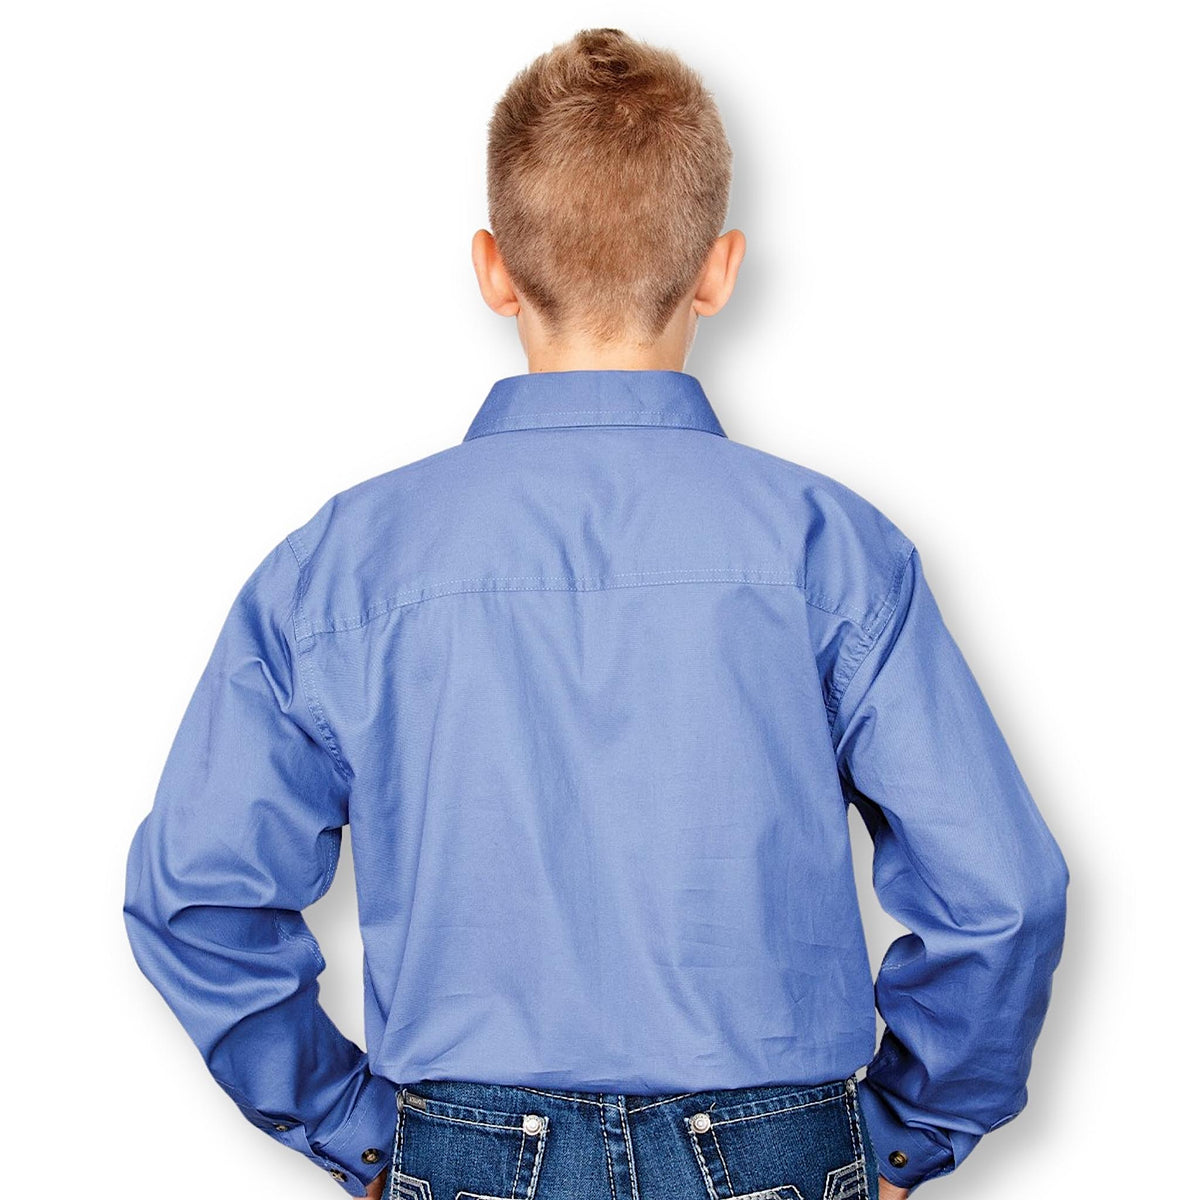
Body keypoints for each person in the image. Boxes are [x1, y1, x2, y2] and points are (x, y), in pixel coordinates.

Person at [122, 26, 1069, 1200]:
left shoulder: (340, 568)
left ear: (493, 267)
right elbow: (1004, 893)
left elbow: (196, 897)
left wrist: (352, 1125)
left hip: (463, 1151)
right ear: (718, 269)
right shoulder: (831, 550)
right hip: (781, 1153)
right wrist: (910, 1129)